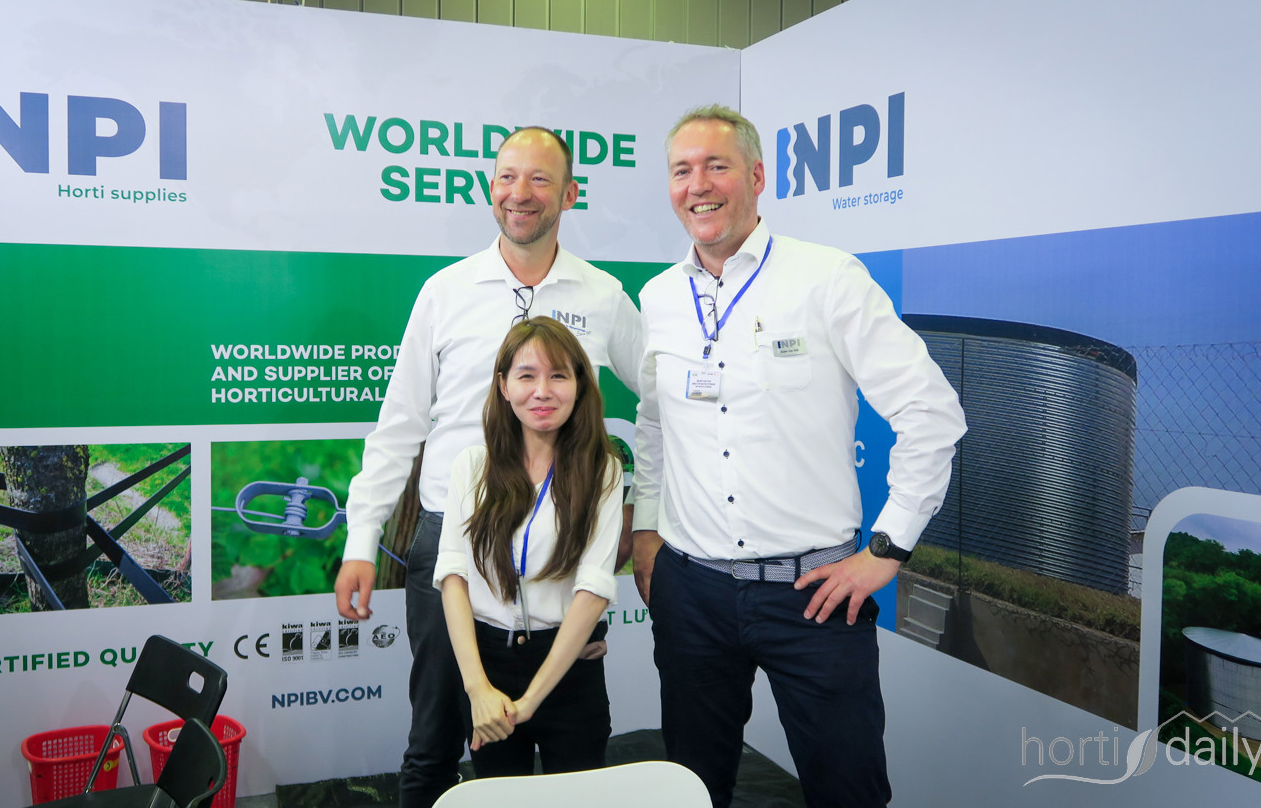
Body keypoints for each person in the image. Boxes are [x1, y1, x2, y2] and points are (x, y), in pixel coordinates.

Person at [631, 105, 967, 808]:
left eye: (717, 166)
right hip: (692, 593)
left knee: (848, 791)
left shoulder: (827, 278)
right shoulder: (658, 297)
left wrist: (887, 548)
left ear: (756, 177)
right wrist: (646, 530)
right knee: (690, 788)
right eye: (682, 170)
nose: (698, 185)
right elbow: (655, 424)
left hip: (813, 594)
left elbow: (931, 412)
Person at [334, 127, 642, 808]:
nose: (519, 193)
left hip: (560, 546)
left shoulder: (603, 295)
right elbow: (400, 423)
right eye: (507, 177)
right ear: (490, 186)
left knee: (562, 751)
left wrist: (642, 518)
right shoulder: (446, 291)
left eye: (539, 179)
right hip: (454, 542)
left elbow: (663, 405)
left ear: (570, 193)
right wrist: (361, 539)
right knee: (435, 741)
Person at [436, 317, 620, 777]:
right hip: (486, 666)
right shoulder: (471, 466)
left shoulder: (603, 471)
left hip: (568, 666)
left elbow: (593, 589)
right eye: (526, 376)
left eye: (558, 375)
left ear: (579, 385)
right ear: (503, 386)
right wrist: (477, 688)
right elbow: (453, 576)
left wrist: (531, 701)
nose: (542, 391)